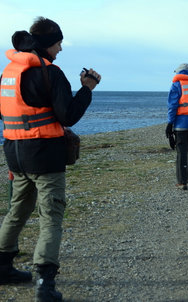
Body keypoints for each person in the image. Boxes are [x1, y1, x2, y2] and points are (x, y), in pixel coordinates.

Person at [0, 17, 100, 301]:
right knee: (51, 217)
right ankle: (45, 284)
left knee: (18, 209)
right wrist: (87, 89)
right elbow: (68, 116)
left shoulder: (9, 72)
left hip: (15, 153)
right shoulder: (51, 72)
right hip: (44, 156)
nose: (60, 49)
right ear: (48, 44)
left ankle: (3, 267)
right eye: (58, 43)